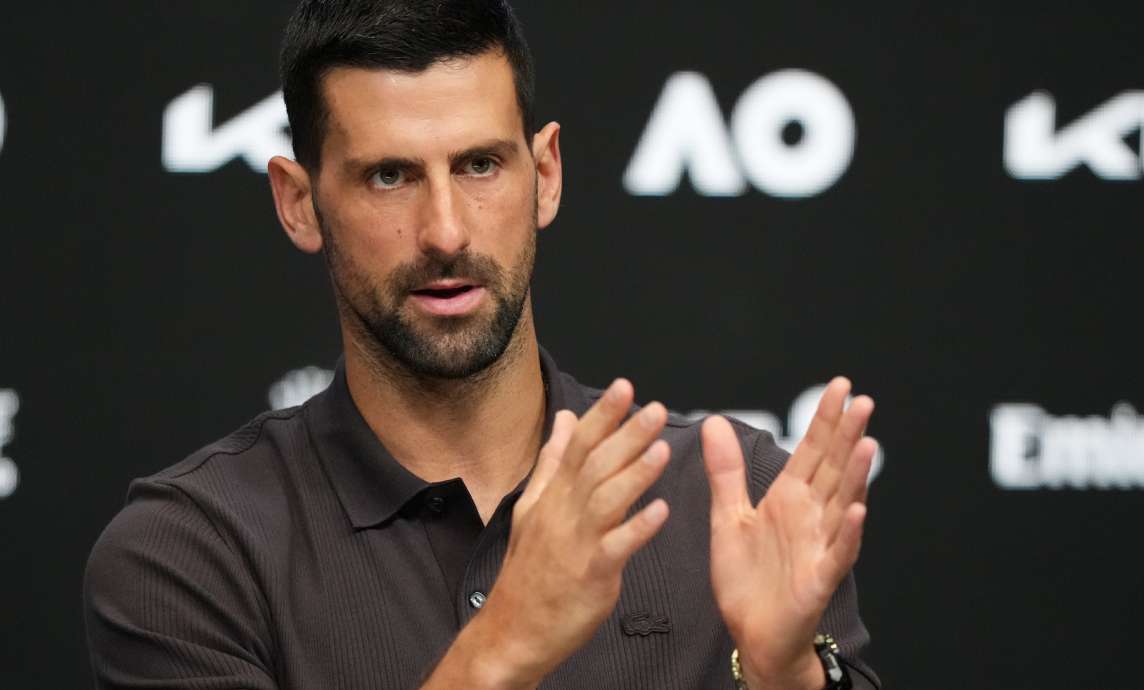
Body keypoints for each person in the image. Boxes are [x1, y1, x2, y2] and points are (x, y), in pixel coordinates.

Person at [83, 1, 882, 688]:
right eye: (389, 176)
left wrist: (785, 676)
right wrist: (506, 646)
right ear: (297, 203)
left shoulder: (736, 503)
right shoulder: (191, 555)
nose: (445, 232)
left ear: (547, 173)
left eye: (479, 165)